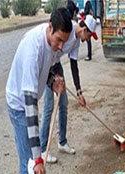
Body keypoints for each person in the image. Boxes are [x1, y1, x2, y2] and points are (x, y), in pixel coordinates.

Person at [6, 8, 72, 174]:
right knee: (29, 168)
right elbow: (30, 108)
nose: (61, 46)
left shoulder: (52, 45)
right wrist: (37, 158)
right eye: (59, 40)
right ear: (50, 27)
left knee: (36, 164)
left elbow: (48, 70)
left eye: (64, 42)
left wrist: (54, 80)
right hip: (18, 105)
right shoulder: (34, 49)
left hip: (28, 102)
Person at [40, 3, 98, 163]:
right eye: (90, 36)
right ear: (85, 29)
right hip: (47, 64)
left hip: (56, 65)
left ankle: (62, 142)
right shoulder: (68, 28)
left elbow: (74, 66)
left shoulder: (77, 42)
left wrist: (79, 92)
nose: (88, 40)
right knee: (49, 107)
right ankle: (43, 150)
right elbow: (51, 47)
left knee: (63, 104)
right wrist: (52, 76)